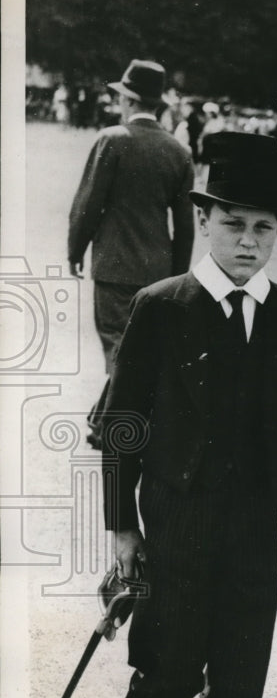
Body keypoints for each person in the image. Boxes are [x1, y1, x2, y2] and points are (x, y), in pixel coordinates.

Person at [101, 132, 277, 698]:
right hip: (176, 520)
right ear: (204, 223)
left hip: (253, 528)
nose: (249, 241)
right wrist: (122, 526)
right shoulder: (161, 308)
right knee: (170, 665)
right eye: (234, 225)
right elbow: (121, 423)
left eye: (263, 226)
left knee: (238, 682)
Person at [68, 59, 195, 449]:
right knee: (136, 348)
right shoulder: (179, 151)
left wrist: (75, 248)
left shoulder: (112, 139)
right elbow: (185, 225)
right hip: (158, 268)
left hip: (114, 264)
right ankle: (101, 419)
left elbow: (88, 203)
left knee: (118, 347)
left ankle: (116, 428)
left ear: (128, 100)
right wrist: (180, 276)